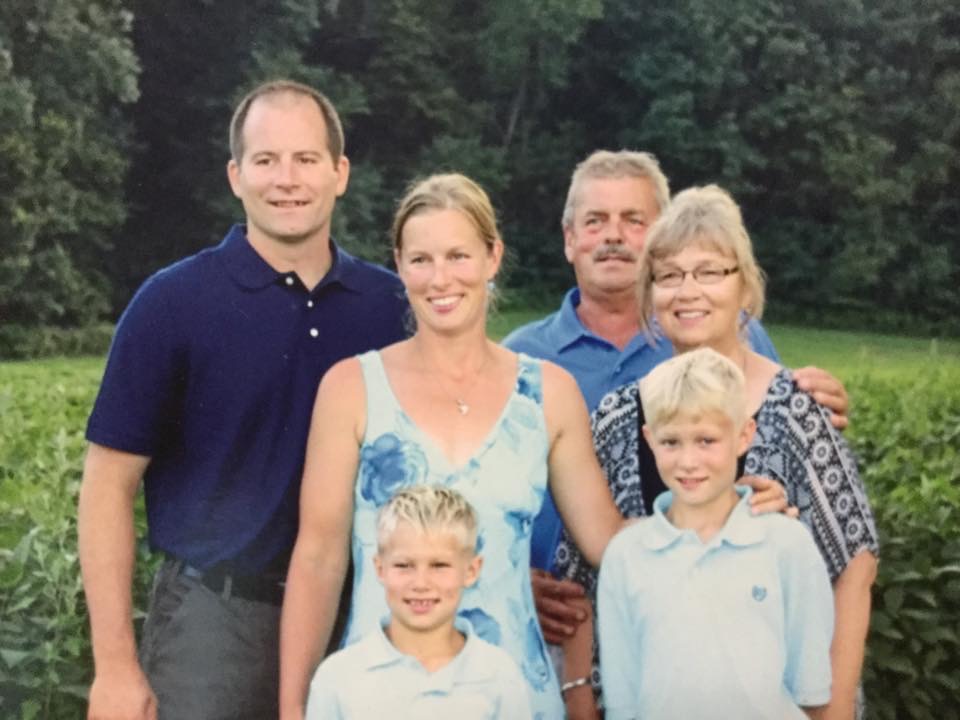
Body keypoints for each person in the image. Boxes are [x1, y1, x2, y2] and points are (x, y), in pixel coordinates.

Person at [78, 79, 409, 720]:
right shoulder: (171, 304)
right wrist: (115, 667)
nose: (286, 179)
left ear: (340, 173)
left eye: (306, 159)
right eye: (265, 160)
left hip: (364, 617)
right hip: (213, 625)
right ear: (236, 176)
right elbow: (106, 485)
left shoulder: (390, 306)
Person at [503, 150, 848, 716]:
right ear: (569, 239)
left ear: (659, 234)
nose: (613, 237)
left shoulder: (731, 334)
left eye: (634, 221)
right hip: (555, 640)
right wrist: (511, 584)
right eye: (595, 222)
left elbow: (782, 451)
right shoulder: (521, 359)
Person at [279, 173, 627, 720]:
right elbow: (318, 557)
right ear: (399, 264)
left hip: (513, 696)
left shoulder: (548, 394)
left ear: (493, 257)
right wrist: (294, 705)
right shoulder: (351, 389)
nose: (441, 279)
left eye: (459, 256)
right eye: (421, 260)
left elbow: (610, 542)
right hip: (380, 699)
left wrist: (733, 514)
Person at [588, 184, 879, 719]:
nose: (687, 291)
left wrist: (833, 712)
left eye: (710, 272)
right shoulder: (618, 417)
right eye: (669, 276)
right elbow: (588, 571)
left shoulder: (796, 406)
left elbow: (855, 563)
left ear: (745, 288)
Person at [597, 348, 835, 720]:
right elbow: (623, 703)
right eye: (671, 442)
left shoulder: (787, 545)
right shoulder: (625, 556)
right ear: (648, 438)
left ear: (744, 435)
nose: (688, 461)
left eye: (706, 440)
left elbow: (811, 692)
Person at [305, 485, 531, 720]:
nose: (420, 583)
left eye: (439, 566)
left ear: (471, 570)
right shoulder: (338, 676)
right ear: (380, 569)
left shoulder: (499, 676)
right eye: (404, 565)